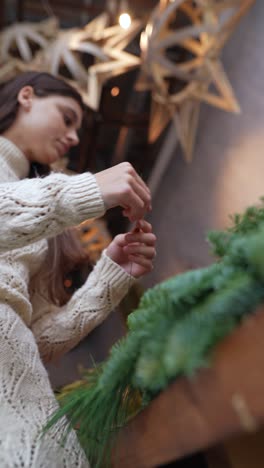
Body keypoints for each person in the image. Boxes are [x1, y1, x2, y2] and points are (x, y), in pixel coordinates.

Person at [0, 71, 156, 467]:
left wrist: (109, 277)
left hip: (26, 407)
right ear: (27, 96)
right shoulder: (38, 199)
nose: (72, 138)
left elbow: (34, 342)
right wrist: (86, 190)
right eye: (67, 117)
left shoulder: (38, 221)